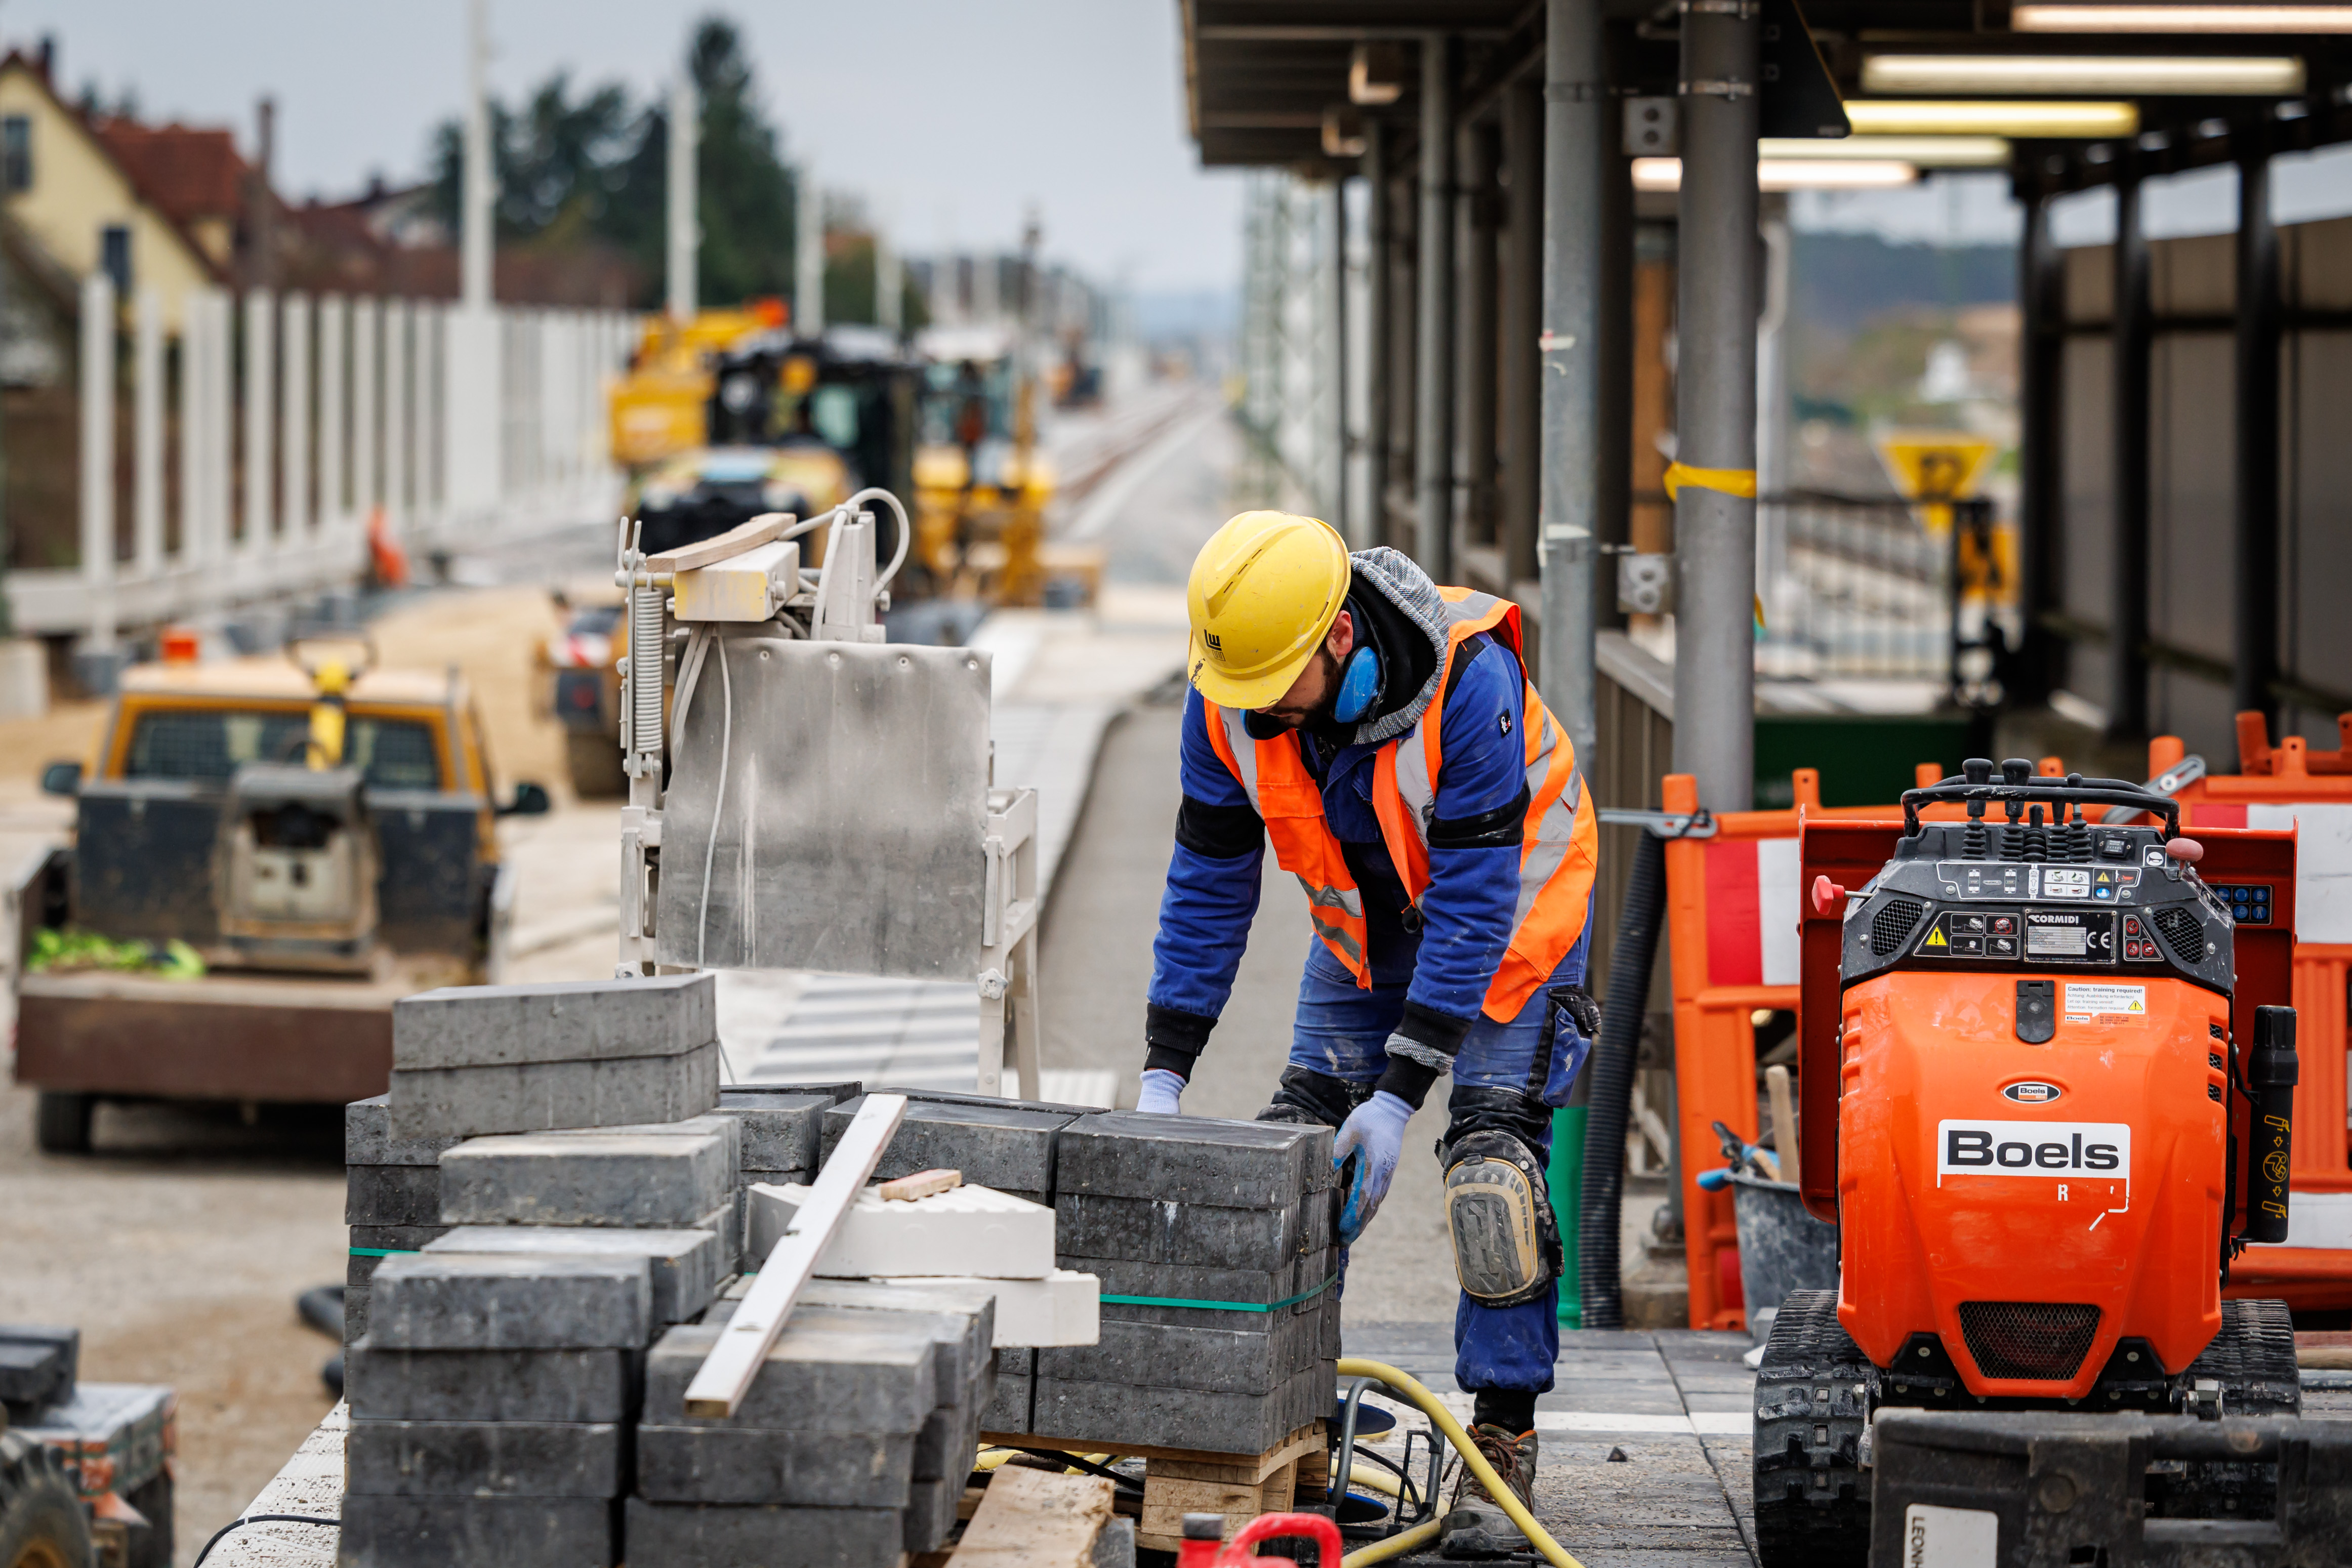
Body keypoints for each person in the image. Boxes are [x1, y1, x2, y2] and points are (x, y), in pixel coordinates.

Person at [1136, 511, 1600, 1557]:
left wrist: (1399, 1092)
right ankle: (1285, 1426)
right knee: (1293, 1173)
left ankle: (1501, 1441)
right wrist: (1163, 1069)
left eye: (1275, 692)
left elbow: (1478, 905)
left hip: (1510, 932)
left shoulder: (1465, 685)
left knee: (1491, 1179)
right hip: (1364, 937)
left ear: (1339, 637)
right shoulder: (1226, 698)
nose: (1258, 718)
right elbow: (1208, 885)